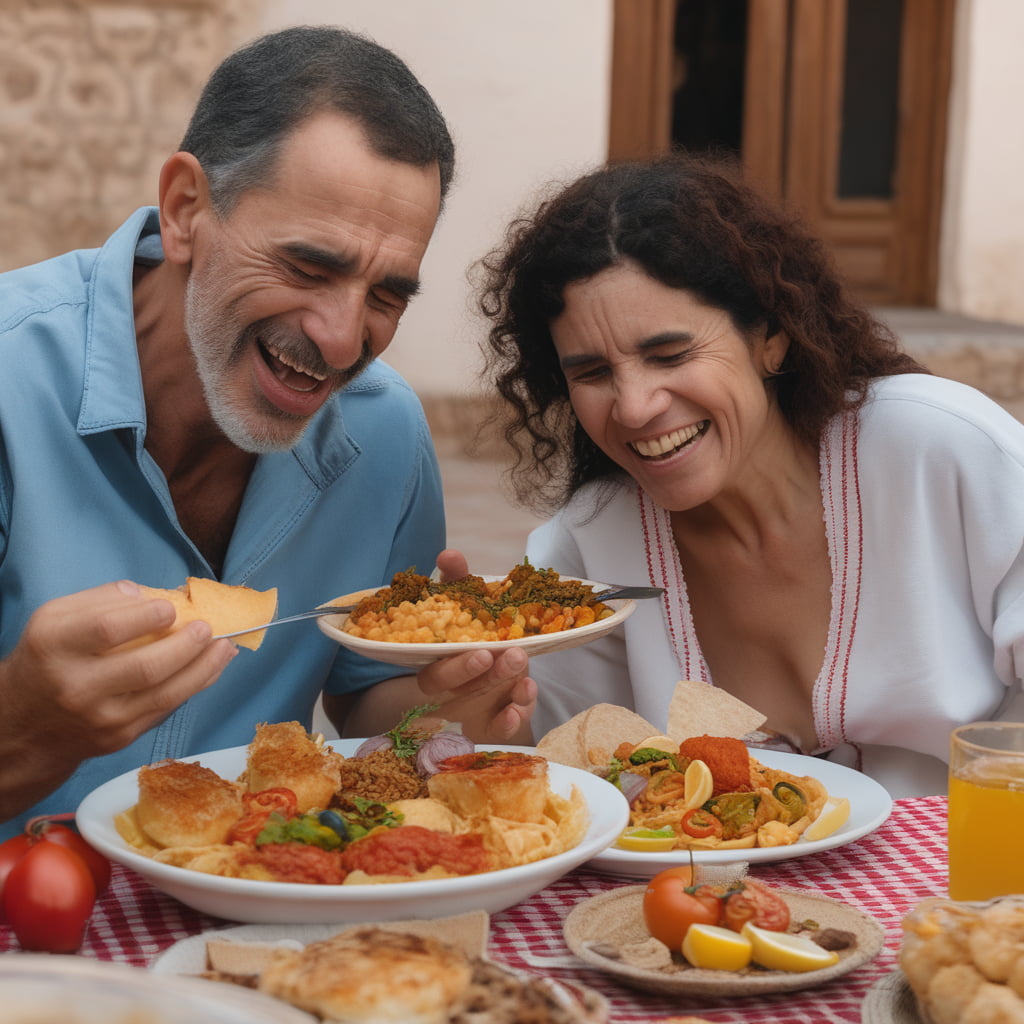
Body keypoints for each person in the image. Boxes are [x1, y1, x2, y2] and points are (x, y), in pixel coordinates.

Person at [0, 26, 534, 842]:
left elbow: (364, 700)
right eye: (309, 267)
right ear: (185, 212)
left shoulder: (386, 435)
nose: (343, 340)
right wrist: (24, 730)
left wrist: (444, 706)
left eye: (387, 295)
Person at [476, 151, 1024, 798]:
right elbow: (567, 783)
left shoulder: (946, 454)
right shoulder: (588, 551)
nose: (633, 405)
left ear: (770, 338)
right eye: (592, 373)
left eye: (670, 353)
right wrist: (476, 687)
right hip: (724, 901)